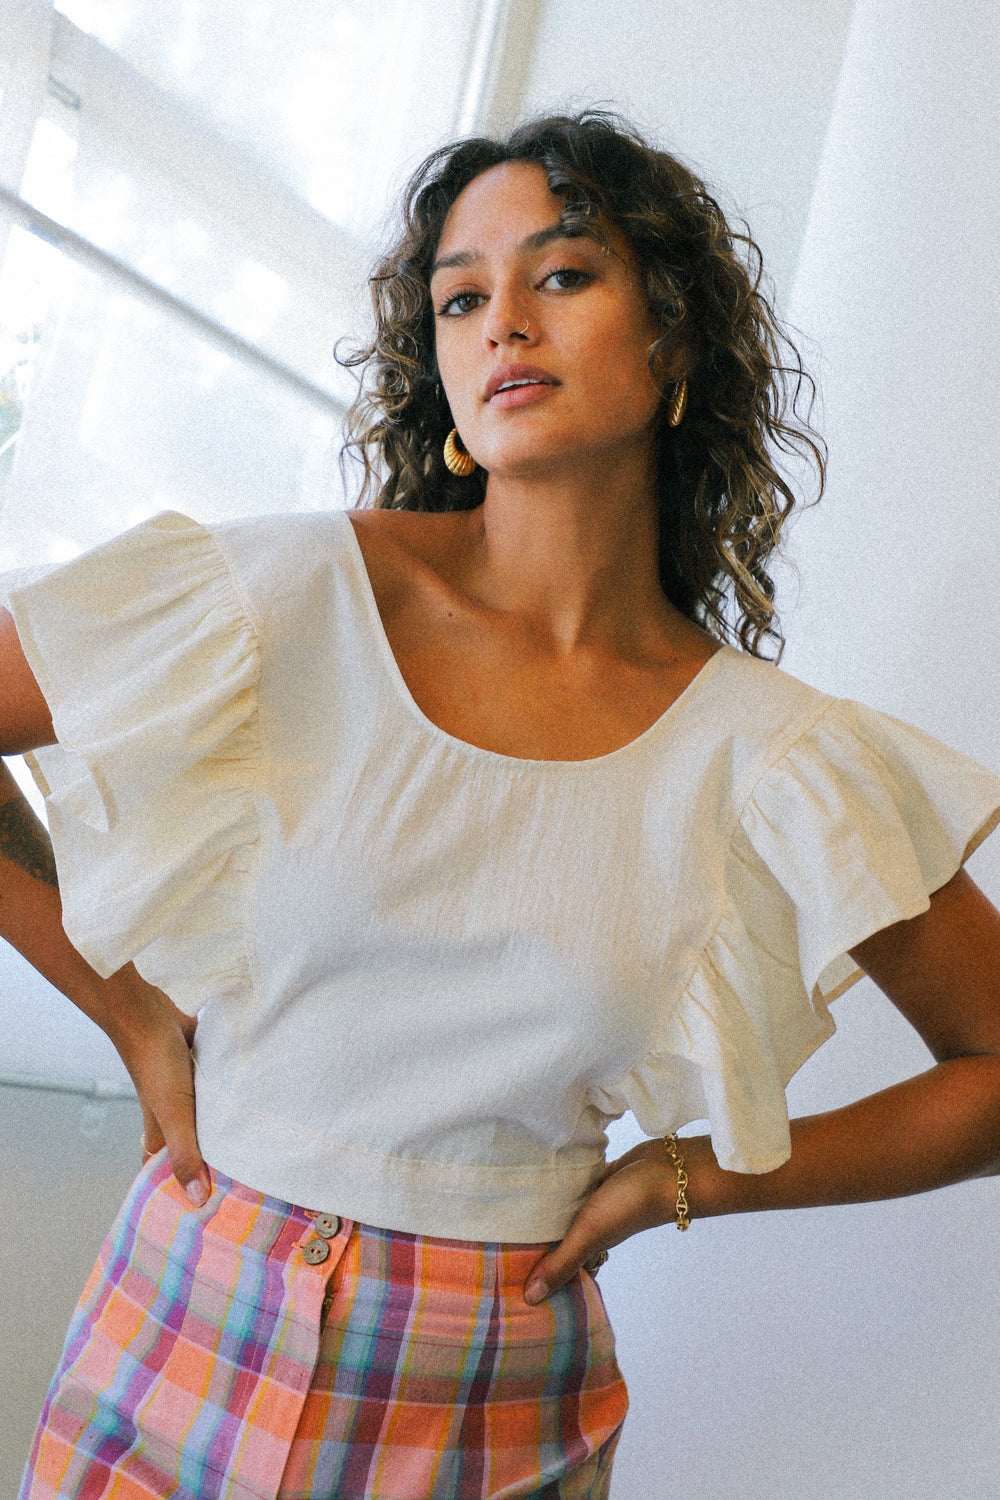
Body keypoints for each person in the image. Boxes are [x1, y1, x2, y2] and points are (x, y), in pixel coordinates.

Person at [3, 109, 1000, 1500]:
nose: (504, 325)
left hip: (488, 1402)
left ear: (675, 342)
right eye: (462, 298)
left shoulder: (773, 759)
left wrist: (692, 1178)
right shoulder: (289, 597)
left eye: (564, 275)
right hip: (176, 1334)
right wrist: (121, 1007)